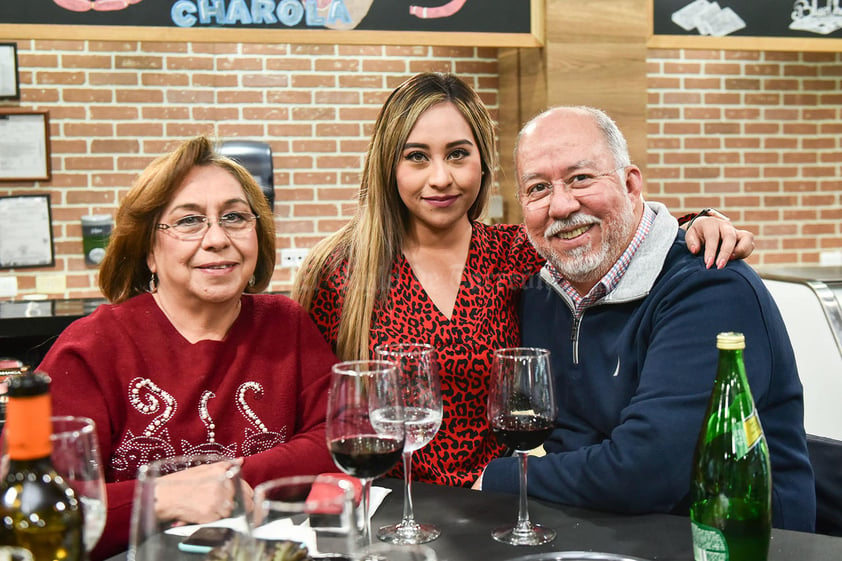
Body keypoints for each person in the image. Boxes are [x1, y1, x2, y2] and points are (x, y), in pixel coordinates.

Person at [292, 72, 755, 489]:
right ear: (389, 166)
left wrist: (697, 222)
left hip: (502, 503)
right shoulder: (338, 270)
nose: (441, 178)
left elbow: (606, 229)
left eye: (458, 154)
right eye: (416, 157)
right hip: (392, 507)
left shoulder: (516, 254)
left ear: (482, 164)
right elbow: (318, 419)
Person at [475, 105, 815, 532]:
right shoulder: (541, 294)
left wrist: (497, 478)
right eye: (538, 188)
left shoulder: (711, 288)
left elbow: (645, 471)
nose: (560, 205)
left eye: (581, 178)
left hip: (726, 544)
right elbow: (565, 440)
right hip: (600, 534)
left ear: (631, 183)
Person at [37, 136, 338, 560]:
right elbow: (36, 502)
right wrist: (160, 497)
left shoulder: (286, 323)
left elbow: (337, 437)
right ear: (149, 251)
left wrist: (222, 482)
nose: (217, 238)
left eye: (234, 217)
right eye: (189, 221)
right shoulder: (89, 349)